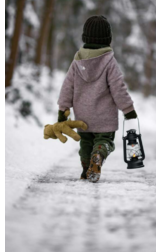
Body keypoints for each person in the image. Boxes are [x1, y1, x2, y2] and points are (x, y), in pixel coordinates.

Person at [57, 15, 137, 183]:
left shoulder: (77, 60)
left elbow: (67, 86)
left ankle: (86, 169)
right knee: (104, 140)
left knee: (85, 143)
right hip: (104, 116)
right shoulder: (109, 61)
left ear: (85, 36)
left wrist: (63, 109)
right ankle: (99, 155)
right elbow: (118, 88)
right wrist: (128, 110)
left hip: (83, 115)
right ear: (108, 39)